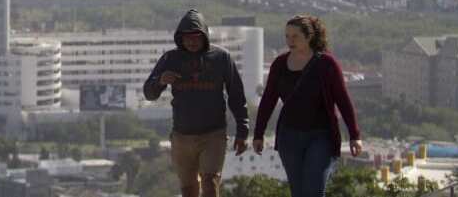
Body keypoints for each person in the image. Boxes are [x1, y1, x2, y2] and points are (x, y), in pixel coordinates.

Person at [253, 15, 363, 197]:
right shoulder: (280, 64)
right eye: (287, 36)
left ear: (309, 36)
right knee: (298, 192)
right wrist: (258, 134)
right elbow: (268, 100)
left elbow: (343, 99)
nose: (290, 41)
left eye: (295, 36)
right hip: (289, 137)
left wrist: (354, 135)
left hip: (321, 136)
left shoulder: (326, 64)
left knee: (313, 190)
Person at [143, 10, 249, 197]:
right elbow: (149, 93)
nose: (192, 41)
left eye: (196, 37)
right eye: (187, 37)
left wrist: (243, 130)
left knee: (210, 183)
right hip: (182, 136)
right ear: (180, 38)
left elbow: (237, 96)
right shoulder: (170, 59)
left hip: (213, 134)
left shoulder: (221, 57)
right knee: (189, 189)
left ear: (205, 36)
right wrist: (160, 81)